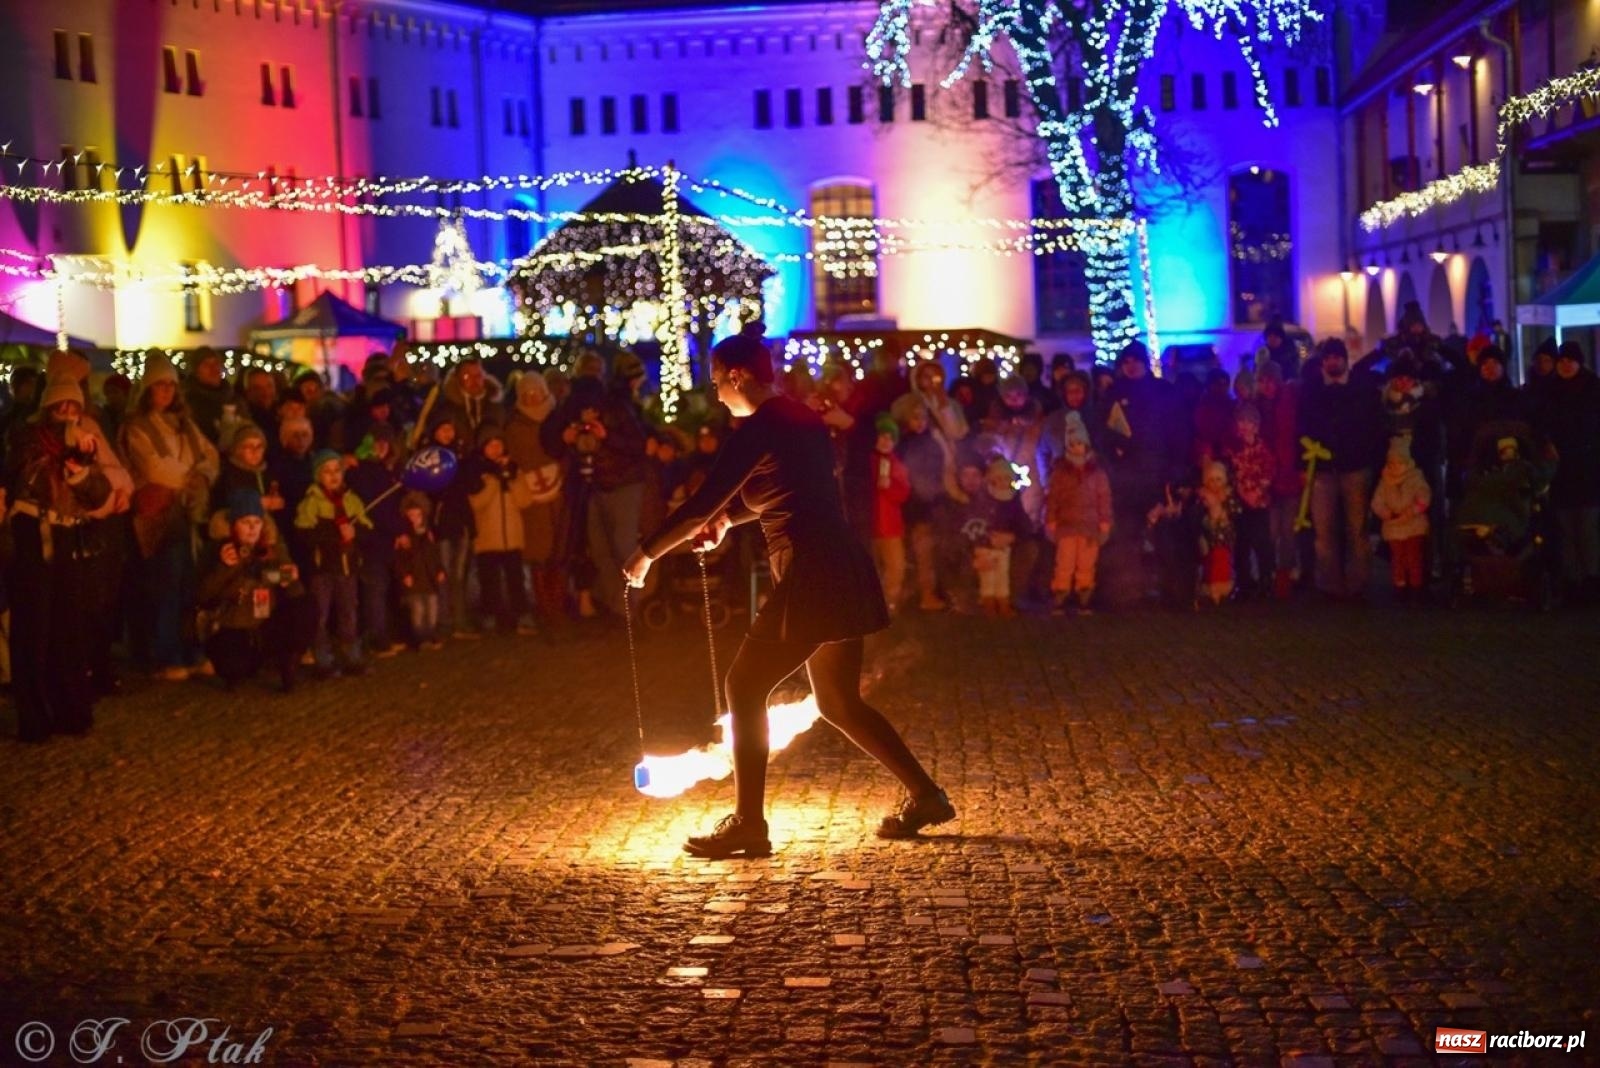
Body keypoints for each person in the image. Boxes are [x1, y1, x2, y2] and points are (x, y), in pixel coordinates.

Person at [622, 324, 954, 859]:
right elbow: (779, 489)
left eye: (717, 383)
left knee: (745, 687)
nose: (717, 394)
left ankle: (749, 824)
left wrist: (646, 552)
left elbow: (704, 499)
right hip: (837, 565)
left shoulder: (763, 426)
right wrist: (731, 520)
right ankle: (927, 796)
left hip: (813, 572)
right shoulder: (799, 418)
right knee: (839, 702)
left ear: (738, 376)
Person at [4, 371, 116, 740]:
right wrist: (58, 454)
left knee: (68, 627)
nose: (68, 411)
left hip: (66, 535)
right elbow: (19, 473)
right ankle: (34, 716)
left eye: (74, 405)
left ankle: (70, 709)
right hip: (32, 535)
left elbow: (100, 495)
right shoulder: (26, 437)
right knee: (33, 628)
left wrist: (81, 472)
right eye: (61, 404)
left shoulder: (84, 442)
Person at [120, 352, 220, 680]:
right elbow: (153, 467)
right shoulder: (137, 427)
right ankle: (167, 653)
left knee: (190, 584)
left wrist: (202, 477)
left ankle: (190, 647)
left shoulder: (185, 425)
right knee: (168, 584)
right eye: (159, 386)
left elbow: (209, 455)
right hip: (162, 514)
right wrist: (191, 478)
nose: (165, 392)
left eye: (170, 386)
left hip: (189, 511)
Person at [196, 488, 309, 691]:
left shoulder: (271, 547)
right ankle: (235, 670)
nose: (252, 528)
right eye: (245, 522)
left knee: (304, 608)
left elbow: (292, 585)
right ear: (233, 525)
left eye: (256, 522)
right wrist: (226, 567)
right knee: (235, 666)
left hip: (264, 619)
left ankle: (287, 663)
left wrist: (286, 577)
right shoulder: (218, 549)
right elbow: (203, 593)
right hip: (232, 621)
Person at [295, 449, 370, 676]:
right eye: (327, 471)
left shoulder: (352, 499)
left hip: (347, 567)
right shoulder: (311, 502)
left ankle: (351, 655)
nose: (333, 475)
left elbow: (367, 526)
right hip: (323, 569)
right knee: (320, 615)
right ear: (318, 475)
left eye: (337, 470)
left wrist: (355, 531)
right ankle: (323, 659)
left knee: (348, 612)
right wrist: (336, 532)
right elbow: (304, 532)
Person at [467, 424, 537, 635]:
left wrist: (512, 479)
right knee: (489, 581)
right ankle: (490, 616)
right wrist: (493, 482)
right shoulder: (477, 473)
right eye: (491, 445)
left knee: (516, 579)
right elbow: (476, 504)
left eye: (499, 444)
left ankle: (521, 616)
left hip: (512, 538)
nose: (496, 449)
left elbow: (525, 501)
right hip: (487, 538)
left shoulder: (514, 471)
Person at [1043, 411, 1111, 615]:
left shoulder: (1097, 473)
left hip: (1089, 527)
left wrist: (1104, 522)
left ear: (1086, 445)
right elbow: (1053, 498)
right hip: (1067, 525)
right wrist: (1051, 521)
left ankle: (1084, 596)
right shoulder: (1060, 472)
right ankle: (1061, 595)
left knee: (1086, 564)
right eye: (1071, 444)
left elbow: (1104, 499)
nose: (1075, 448)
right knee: (1064, 562)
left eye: (1079, 443)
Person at [1370, 437, 1432, 605]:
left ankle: (1416, 587)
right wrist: (1386, 513)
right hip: (1394, 527)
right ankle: (1399, 586)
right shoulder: (1384, 482)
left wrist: (1412, 511)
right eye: (1392, 464)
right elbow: (1377, 502)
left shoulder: (1416, 479)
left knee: (1414, 557)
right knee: (1398, 558)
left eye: (1399, 463)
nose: (1395, 467)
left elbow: (1424, 497)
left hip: (1414, 525)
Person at [395, 490, 447, 650]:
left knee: (431, 611)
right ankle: (421, 638)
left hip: (430, 581)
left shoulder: (428, 536)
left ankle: (431, 635)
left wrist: (440, 570)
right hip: (415, 583)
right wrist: (405, 575)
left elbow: (435, 556)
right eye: (410, 516)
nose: (414, 519)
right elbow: (400, 560)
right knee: (417, 613)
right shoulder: (404, 538)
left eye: (417, 515)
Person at [869, 414, 910, 611]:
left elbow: (903, 493)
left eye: (890, 438)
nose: (886, 442)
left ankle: (889, 601)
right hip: (870, 522)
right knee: (873, 565)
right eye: (882, 437)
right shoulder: (868, 461)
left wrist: (888, 486)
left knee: (896, 565)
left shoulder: (897, 465)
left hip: (890, 525)